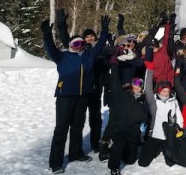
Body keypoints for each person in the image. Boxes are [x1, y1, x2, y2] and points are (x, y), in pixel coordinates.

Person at [41, 15, 110, 174]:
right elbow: (50, 47)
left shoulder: (88, 56)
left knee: (78, 127)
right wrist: (47, 34)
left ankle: (76, 153)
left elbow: (99, 45)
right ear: (71, 45)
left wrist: (104, 30)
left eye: (82, 43)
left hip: (83, 96)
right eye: (77, 43)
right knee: (61, 129)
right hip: (65, 97)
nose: (80, 46)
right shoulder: (62, 56)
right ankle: (56, 162)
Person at [137, 62, 183, 167]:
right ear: (159, 91)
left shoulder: (173, 101)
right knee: (143, 163)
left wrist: (179, 128)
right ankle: (155, 148)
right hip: (155, 135)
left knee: (171, 163)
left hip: (169, 136)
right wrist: (150, 71)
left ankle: (165, 149)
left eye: (167, 91)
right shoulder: (153, 101)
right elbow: (147, 88)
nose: (165, 93)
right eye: (163, 91)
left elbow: (179, 117)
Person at [107, 63, 148, 175]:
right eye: (135, 83)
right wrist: (114, 65)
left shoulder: (143, 101)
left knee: (130, 160)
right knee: (119, 144)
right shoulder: (123, 94)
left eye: (140, 84)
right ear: (131, 84)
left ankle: (120, 149)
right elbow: (115, 82)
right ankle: (114, 167)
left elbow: (144, 117)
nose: (137, 86)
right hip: (120, 129)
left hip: (132, 132)